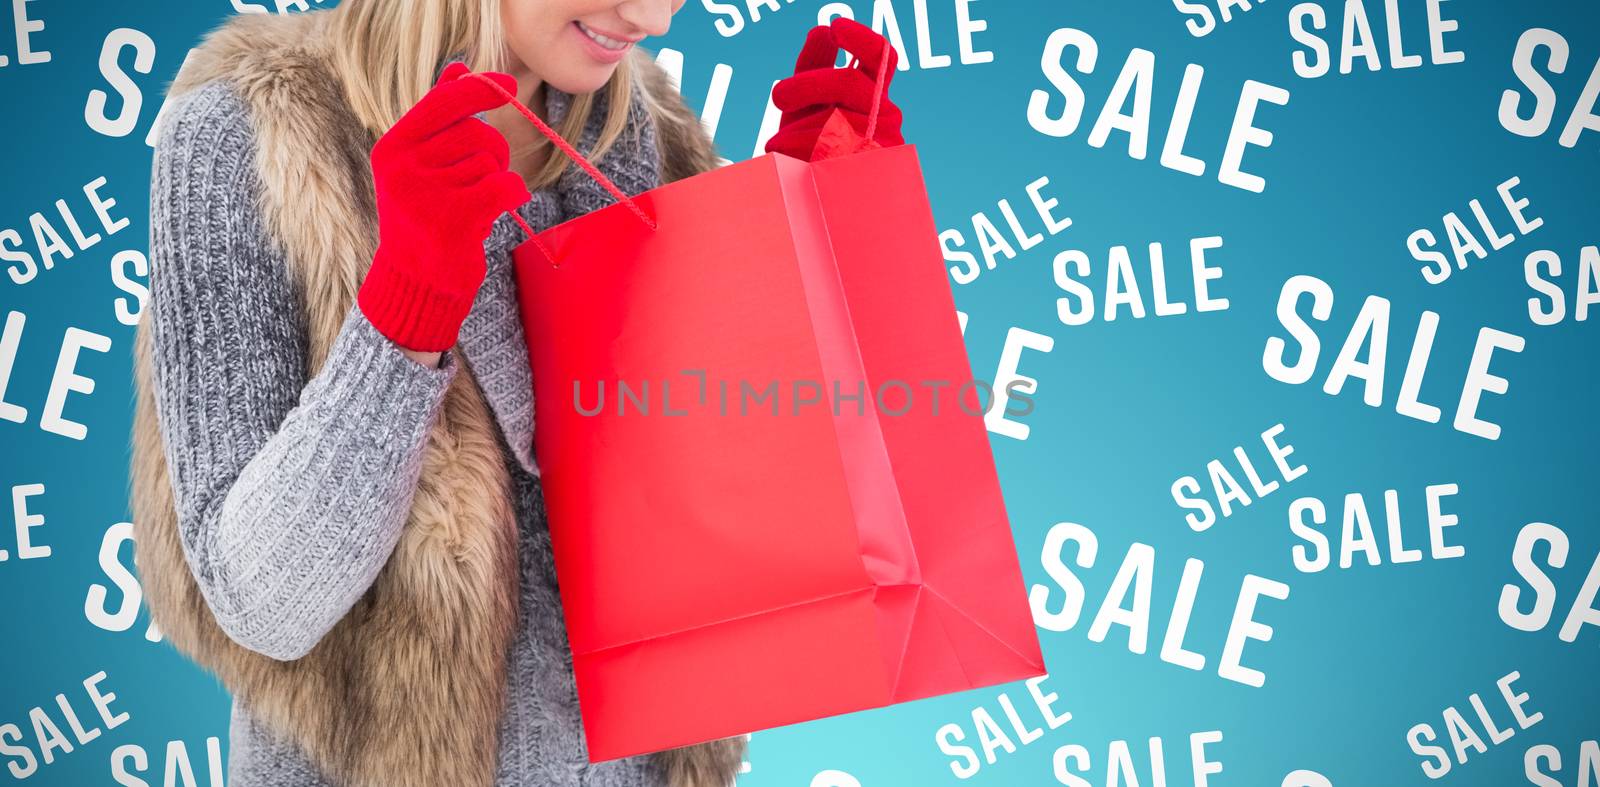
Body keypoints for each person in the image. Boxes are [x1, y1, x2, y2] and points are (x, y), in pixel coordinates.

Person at [128, 1, 903, 786]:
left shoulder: (652, 128)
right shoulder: (252, 129)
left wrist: (814, 259)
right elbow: (262, 608)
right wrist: (406, 306)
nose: (652, 18)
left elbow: (733, 519)